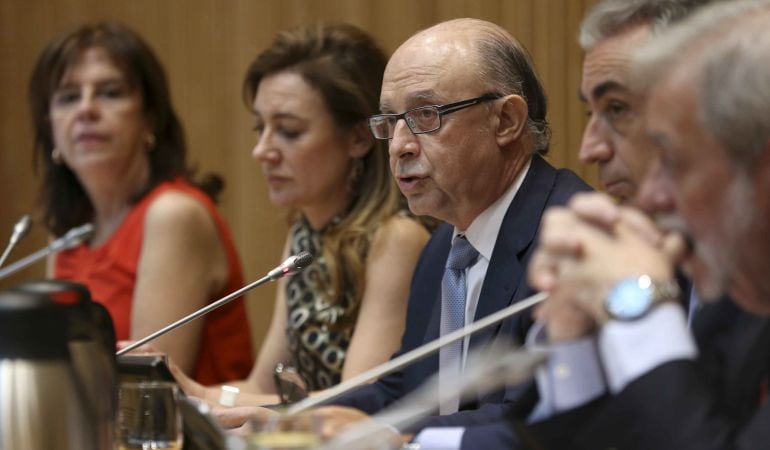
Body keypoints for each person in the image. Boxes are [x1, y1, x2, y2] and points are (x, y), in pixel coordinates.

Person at [306, 18, 593, 449]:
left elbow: (538, 411)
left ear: (506, 120)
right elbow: (404, 390)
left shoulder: (573, 239)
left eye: (425, 115)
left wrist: (383, 434)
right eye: (390, 120)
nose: (400, 144)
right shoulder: (443, 244)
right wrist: (289, 421)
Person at [523, 1, 770, 448]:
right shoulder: (729, 285)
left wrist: (637, 302)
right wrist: (573, 340)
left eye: (674, 160)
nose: (656, 194)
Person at [173, 23, 431, 406]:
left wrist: (201, 398)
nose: (262, 151)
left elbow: (354, 403)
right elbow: (261, 389)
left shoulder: (396, 240)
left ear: (359, 138)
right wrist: (184, 392)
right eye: (261, 128)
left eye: (288, 131)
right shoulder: (305, 238)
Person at [29, 22, 253, 384]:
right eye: (68, 97)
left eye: (110, 93)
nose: (86, 109)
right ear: (50, 126)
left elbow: (144, 390)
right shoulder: (70, 230)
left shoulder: (173, 215)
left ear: (149, 117)